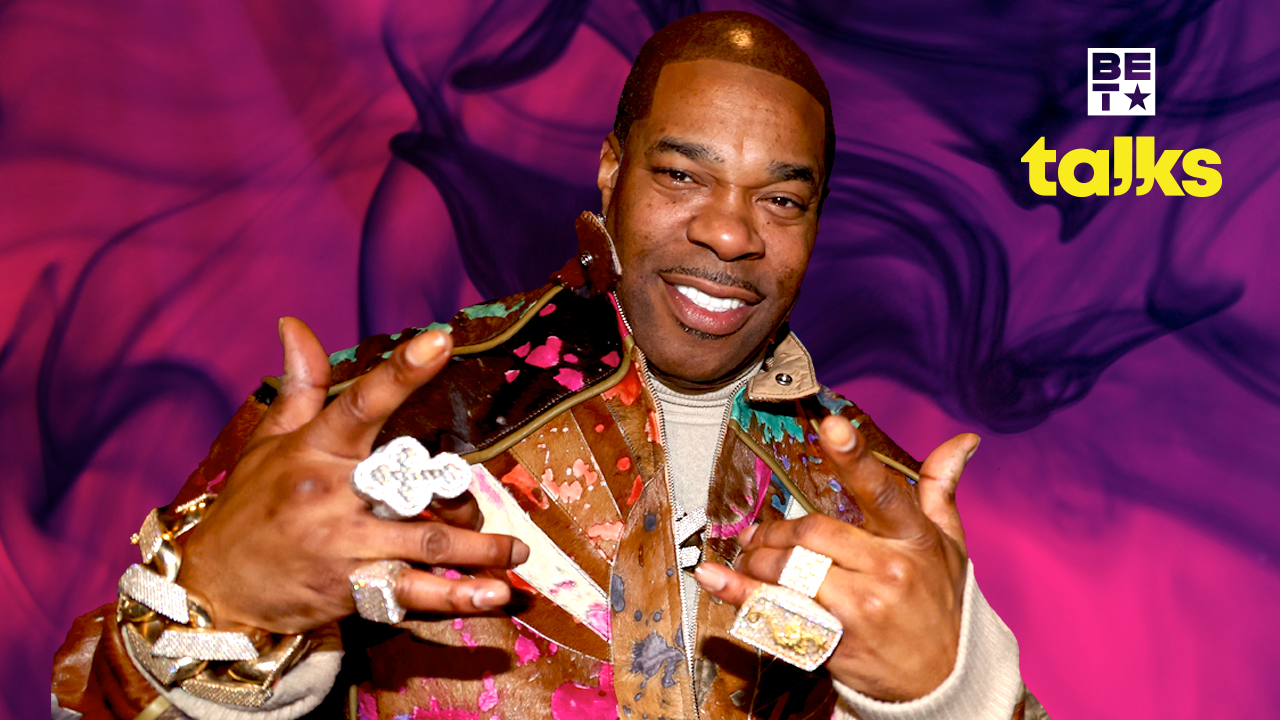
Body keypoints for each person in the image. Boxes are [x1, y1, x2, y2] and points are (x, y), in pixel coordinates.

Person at [53, 11, 1047, 720]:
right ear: (612, 171)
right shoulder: (374, 420)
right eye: (682, 175)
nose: (730, 232)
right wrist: (214, 621)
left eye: (780, 200)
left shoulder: (877, 508)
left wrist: (952, 697)